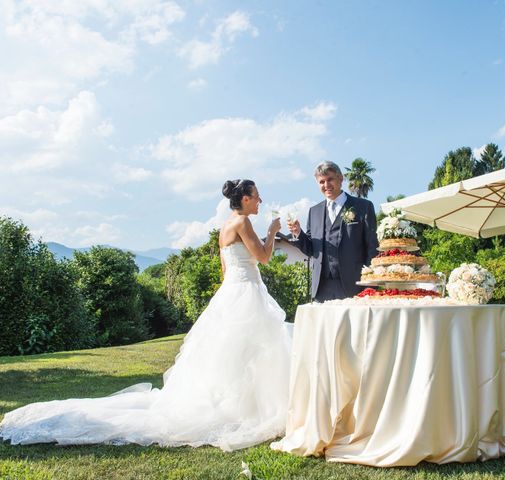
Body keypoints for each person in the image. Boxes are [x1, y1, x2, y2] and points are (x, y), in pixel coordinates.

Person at [0, 179, 292, 451]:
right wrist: (272, 231)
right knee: (251, 352)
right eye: (256, 196)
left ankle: (239, 405)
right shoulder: (243, 222)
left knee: (234, 354)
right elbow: (264, 257)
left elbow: (225, 269)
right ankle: (248, 408)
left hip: (233, 291)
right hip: (246, 293)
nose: (260, 200)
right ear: (245, 198)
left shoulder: (225, 227)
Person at [288, 161, 378, 302]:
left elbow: (373, 247)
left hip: (354, 285)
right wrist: (298, 233)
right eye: (321, 182)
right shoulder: (314, 211)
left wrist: (371, 283)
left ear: (341, 178)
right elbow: (311, 249)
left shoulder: (363, 206)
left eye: (330, 179)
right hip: (321, 287)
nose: (326, 185)